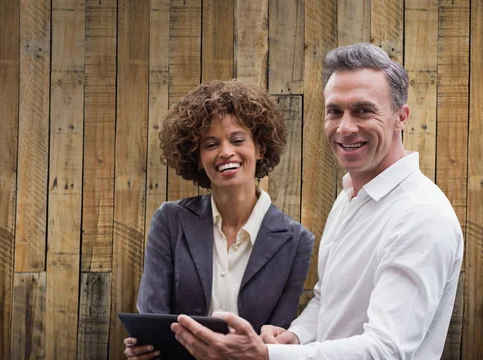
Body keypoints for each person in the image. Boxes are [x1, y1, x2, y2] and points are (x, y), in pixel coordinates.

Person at [170, 43, 464, 360]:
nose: (345, 127)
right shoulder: (351, 195)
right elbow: (328, 300)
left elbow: (386, 349)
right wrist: (295, 337)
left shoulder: (420, 216)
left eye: (363, 110)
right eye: (334, 111)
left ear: (401, 117)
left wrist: (267, 356)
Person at [124, 79, 315, 359]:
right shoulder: (170, 221)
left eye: (237, 140)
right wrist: (143, 349)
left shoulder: (297, 241)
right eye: (211, 144)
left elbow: (275, 336)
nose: (226, 152)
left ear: (260, 148)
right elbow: (153, 319)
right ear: (198, 158)